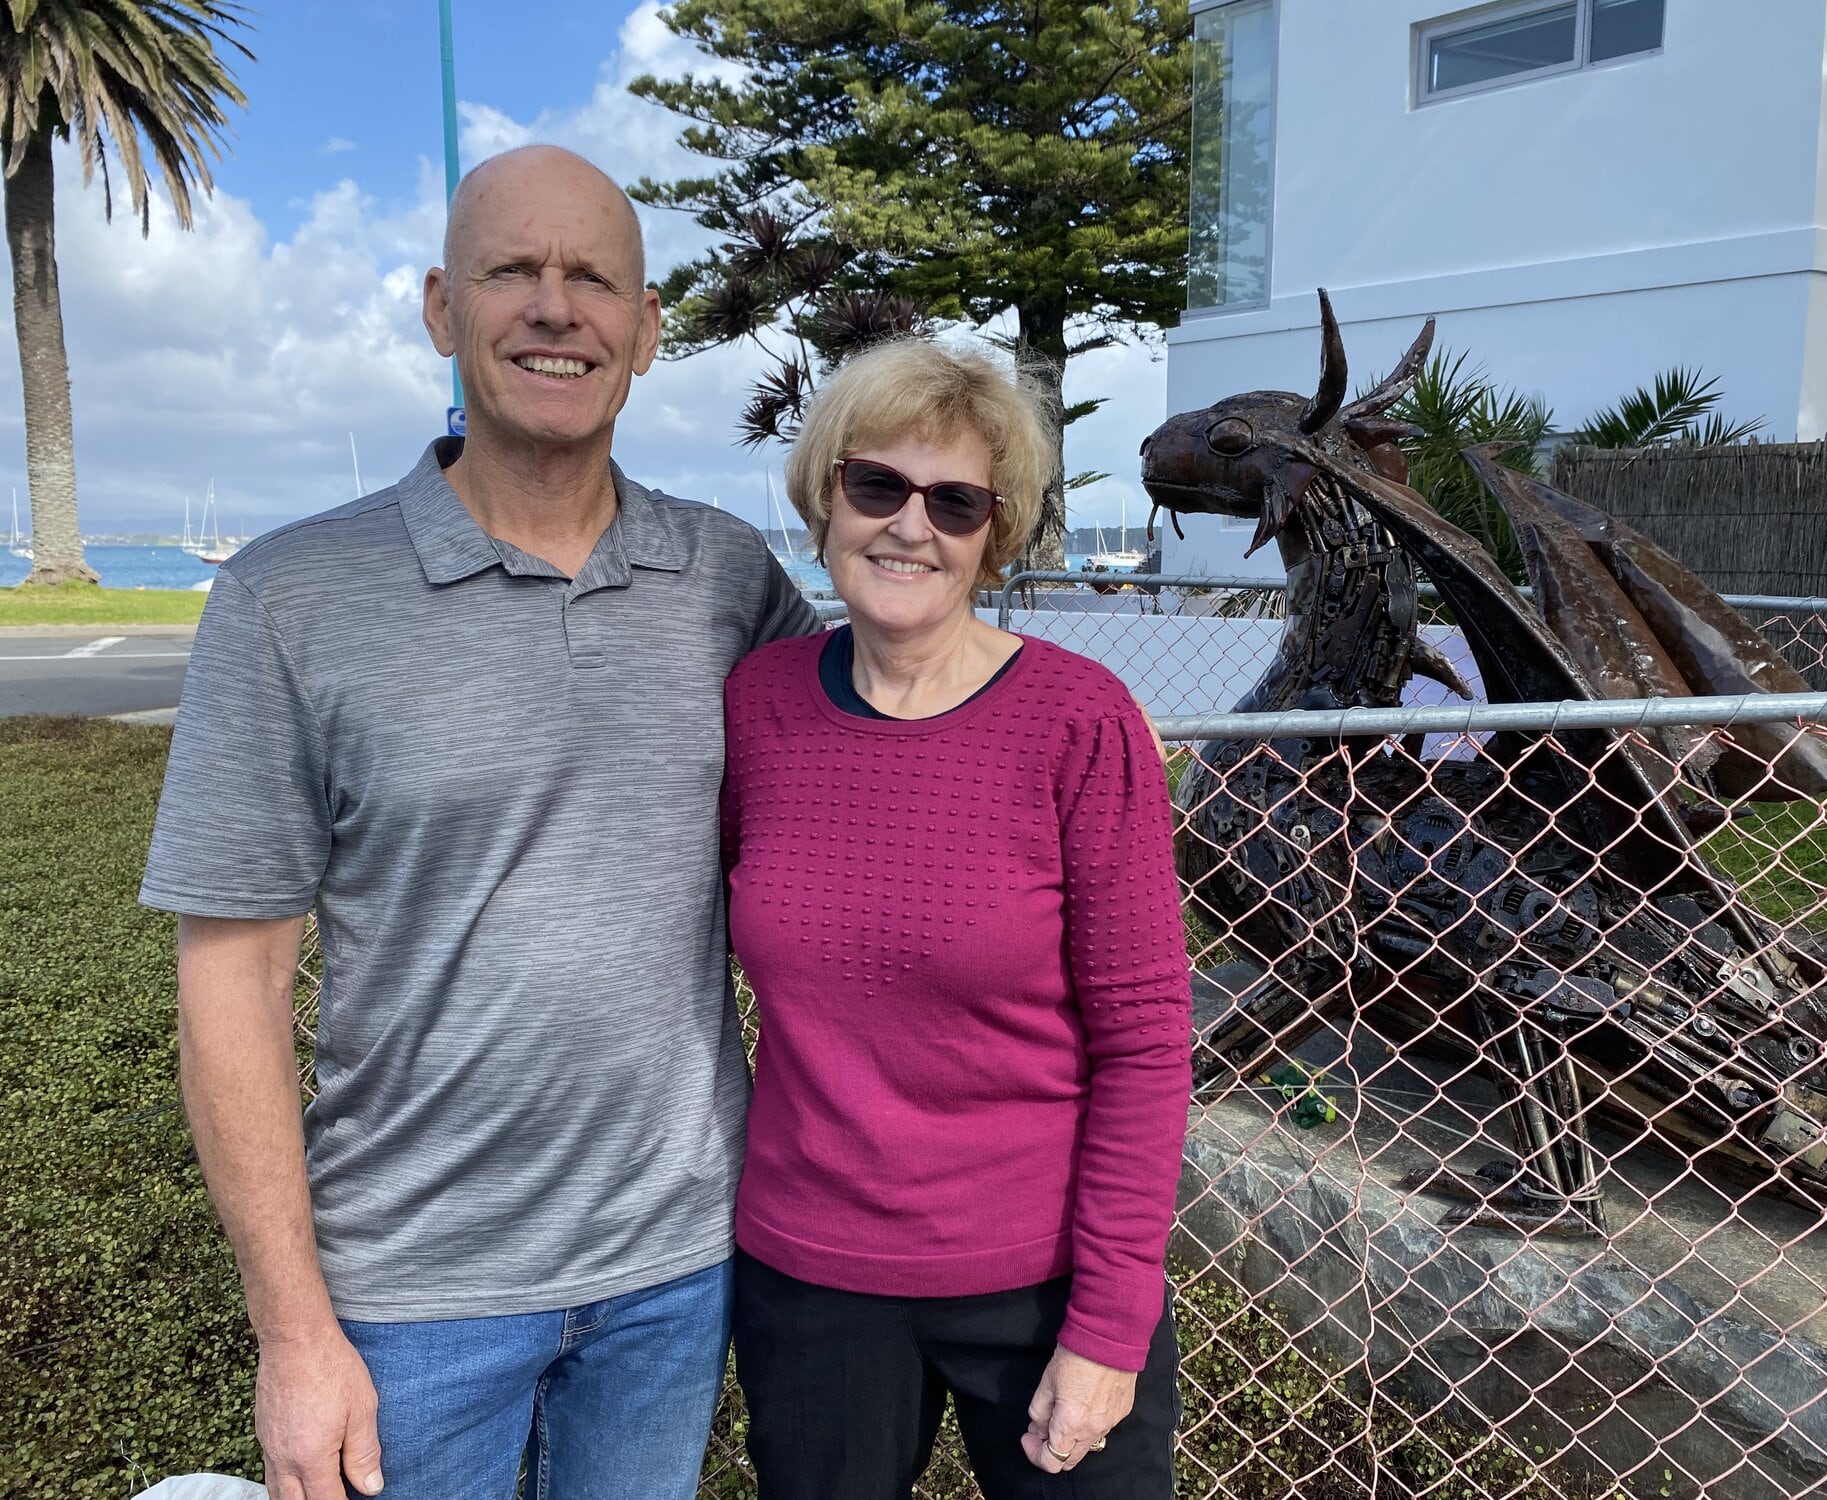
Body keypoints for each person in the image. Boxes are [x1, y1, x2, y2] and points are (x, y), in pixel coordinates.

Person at [141, 145, 819, 1500]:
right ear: (442, 309)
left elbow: (871, 765)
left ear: (647, 332)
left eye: (594, 280)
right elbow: (233, 982)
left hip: (675, 1269)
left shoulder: (727, 580)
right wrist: (293, 1333)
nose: (555, 309)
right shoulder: (290, 599)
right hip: (410, 1288)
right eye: (514, 270)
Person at [721, 338, 1194, 1500]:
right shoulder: (757, 707)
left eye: (955, 502)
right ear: (825, 497)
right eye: (874, 485)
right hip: (811, 1280)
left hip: (1034, 1291)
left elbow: (1143, 1040)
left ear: (996, 530)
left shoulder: (1079, 723)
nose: (907, 527)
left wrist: (1109, 1323)